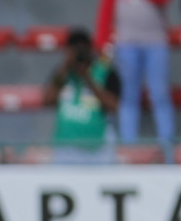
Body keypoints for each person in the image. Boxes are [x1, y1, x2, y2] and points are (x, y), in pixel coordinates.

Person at [94, 0, 175, 158]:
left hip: (156, 42)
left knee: (160, 94)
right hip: (126, 43)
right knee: (128, 96)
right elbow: (106, 8)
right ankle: (128, 150)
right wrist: (102, 40)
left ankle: (167, 150)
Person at [46, 28, 123, 164]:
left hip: (97, 150)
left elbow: (114, 106)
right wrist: (65, 67)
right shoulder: (62, 74)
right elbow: (47, 100)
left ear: (90, 50)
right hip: (65, 149)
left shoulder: (105, 72)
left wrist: (88, 78)